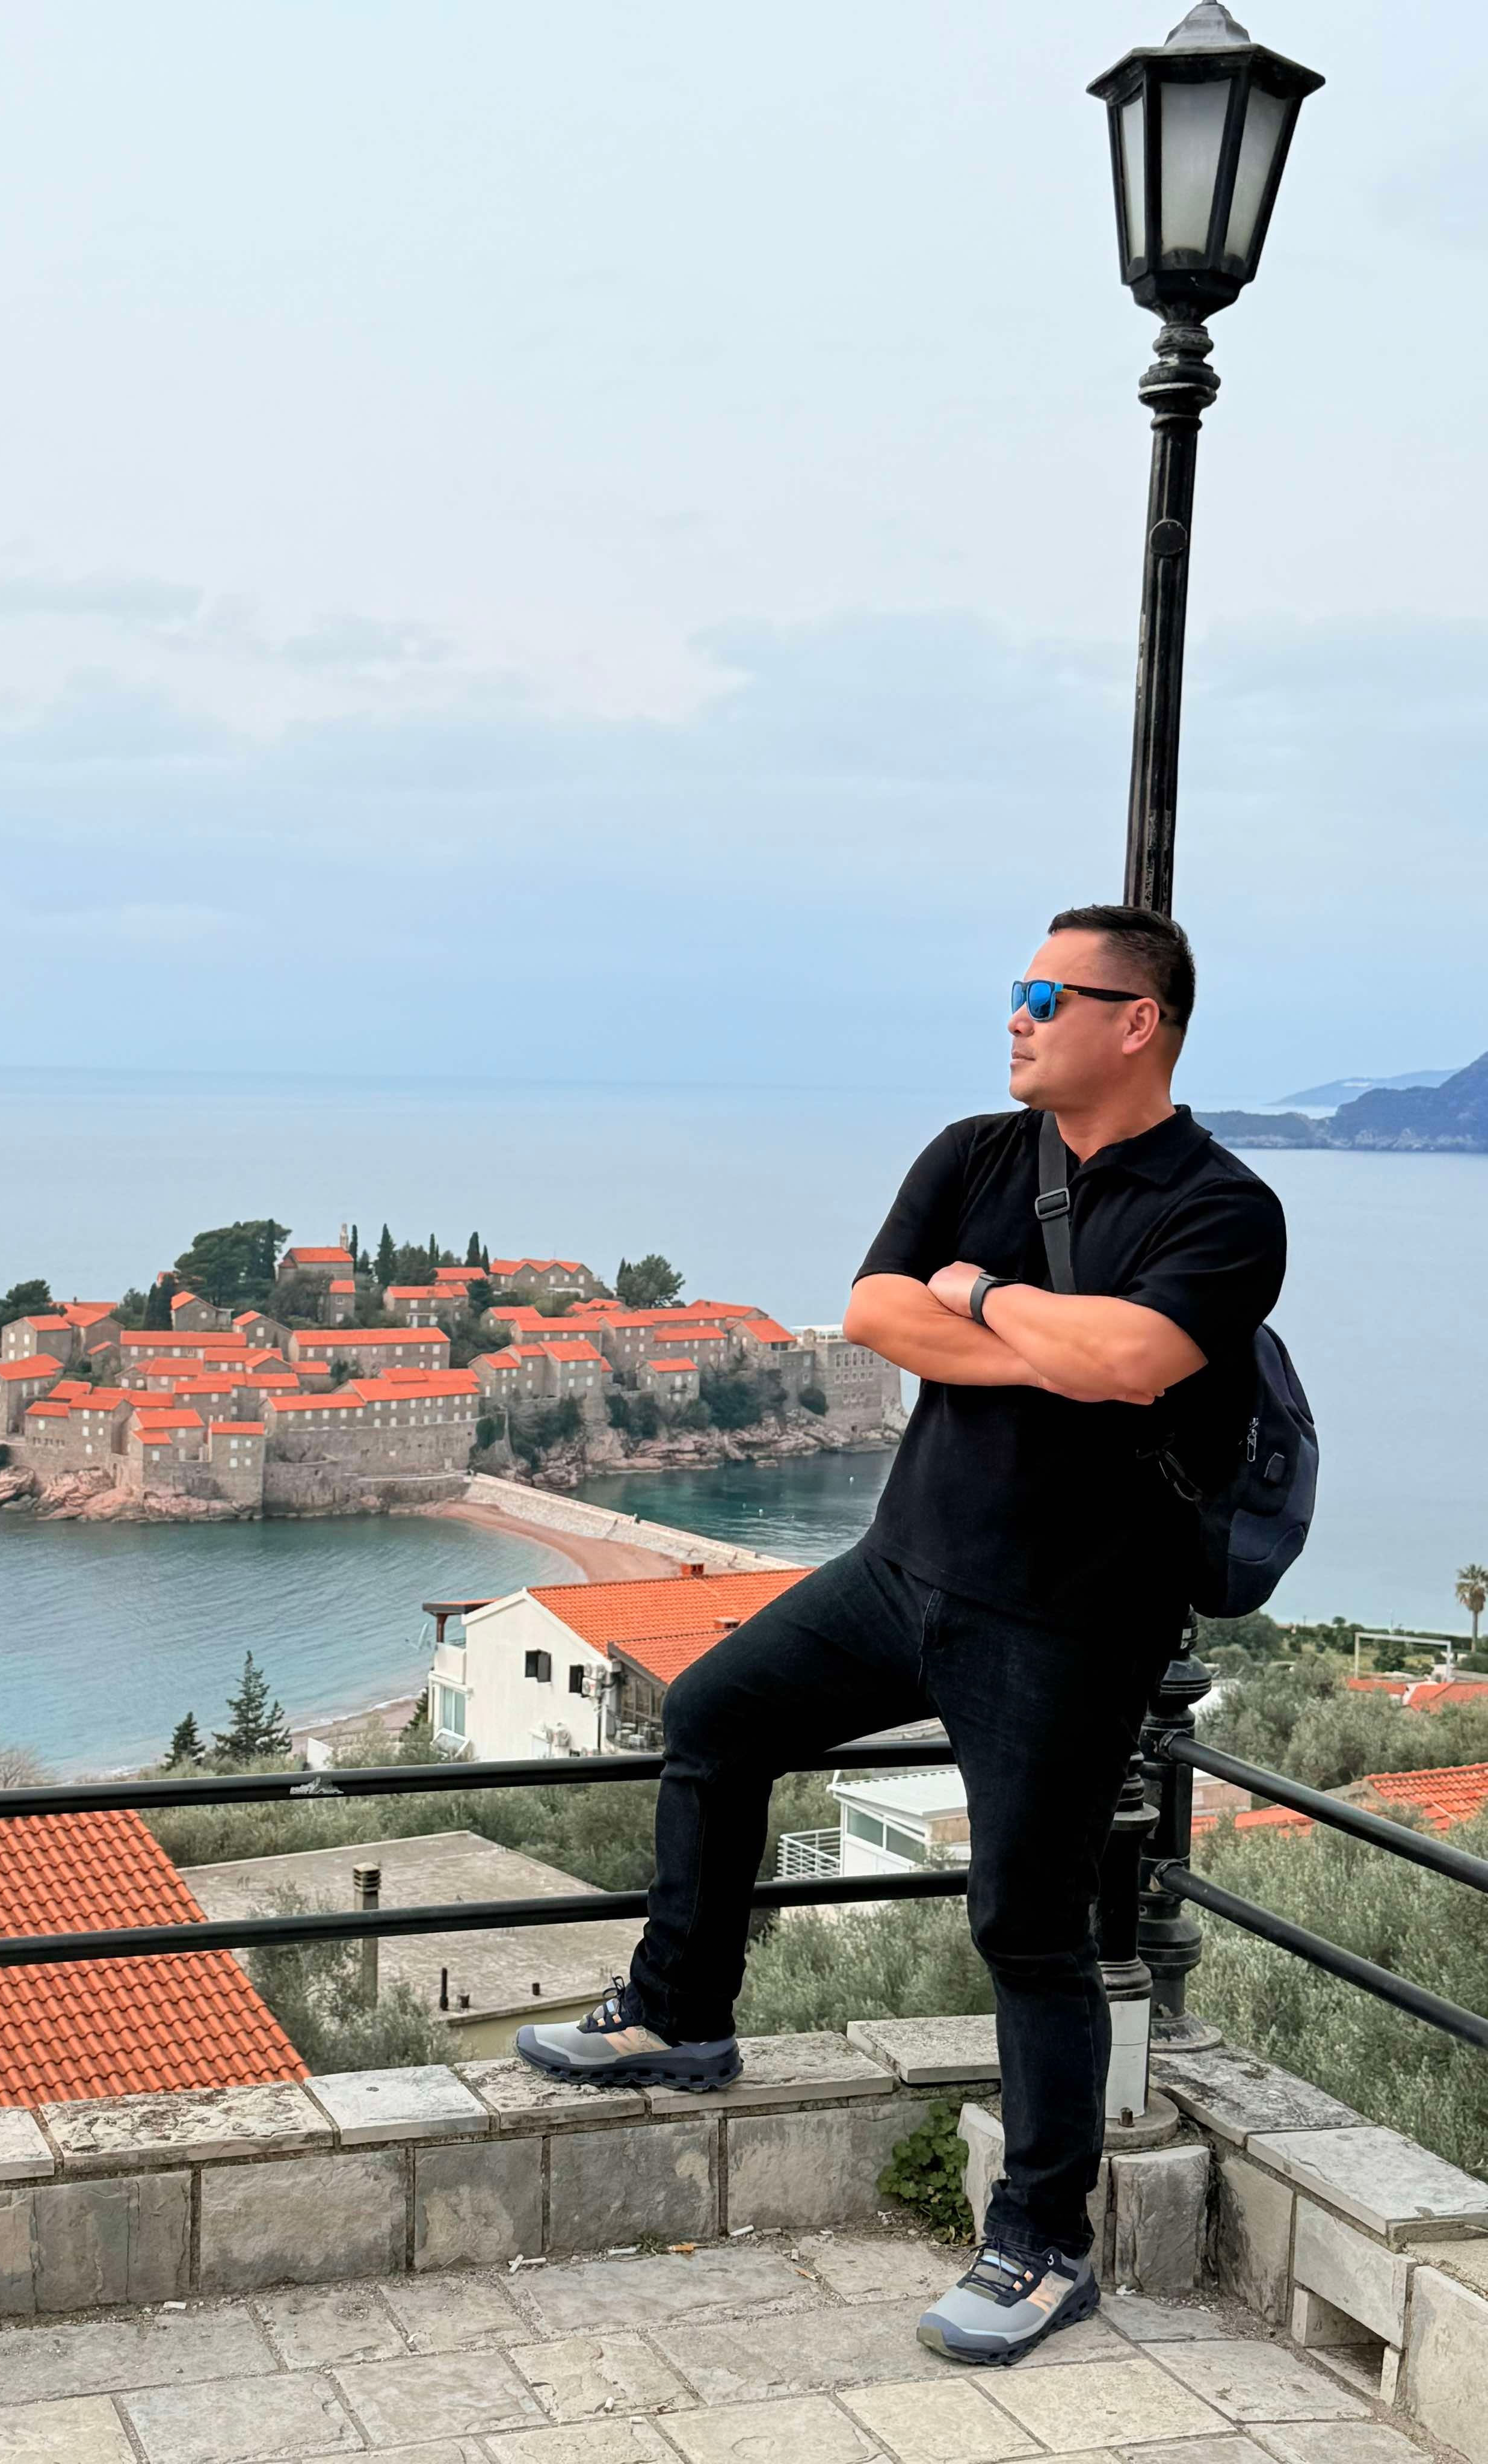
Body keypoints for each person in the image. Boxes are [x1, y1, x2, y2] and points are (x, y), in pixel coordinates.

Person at [515, 903, 1286, 2364]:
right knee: (718, 1715)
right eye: (1018, 985)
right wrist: (1045, 1338)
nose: (1016, 1012)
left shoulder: (1223, 1205)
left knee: (1026, 1919)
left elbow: (1135, 1365)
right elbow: (873, 1313)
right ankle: (681, 2014)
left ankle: (1044, 2242)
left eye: (1047, 992)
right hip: (901, 1567)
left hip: (1068, 1623)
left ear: (1140, 1020)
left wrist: (988, 1293)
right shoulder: (975, 1152)